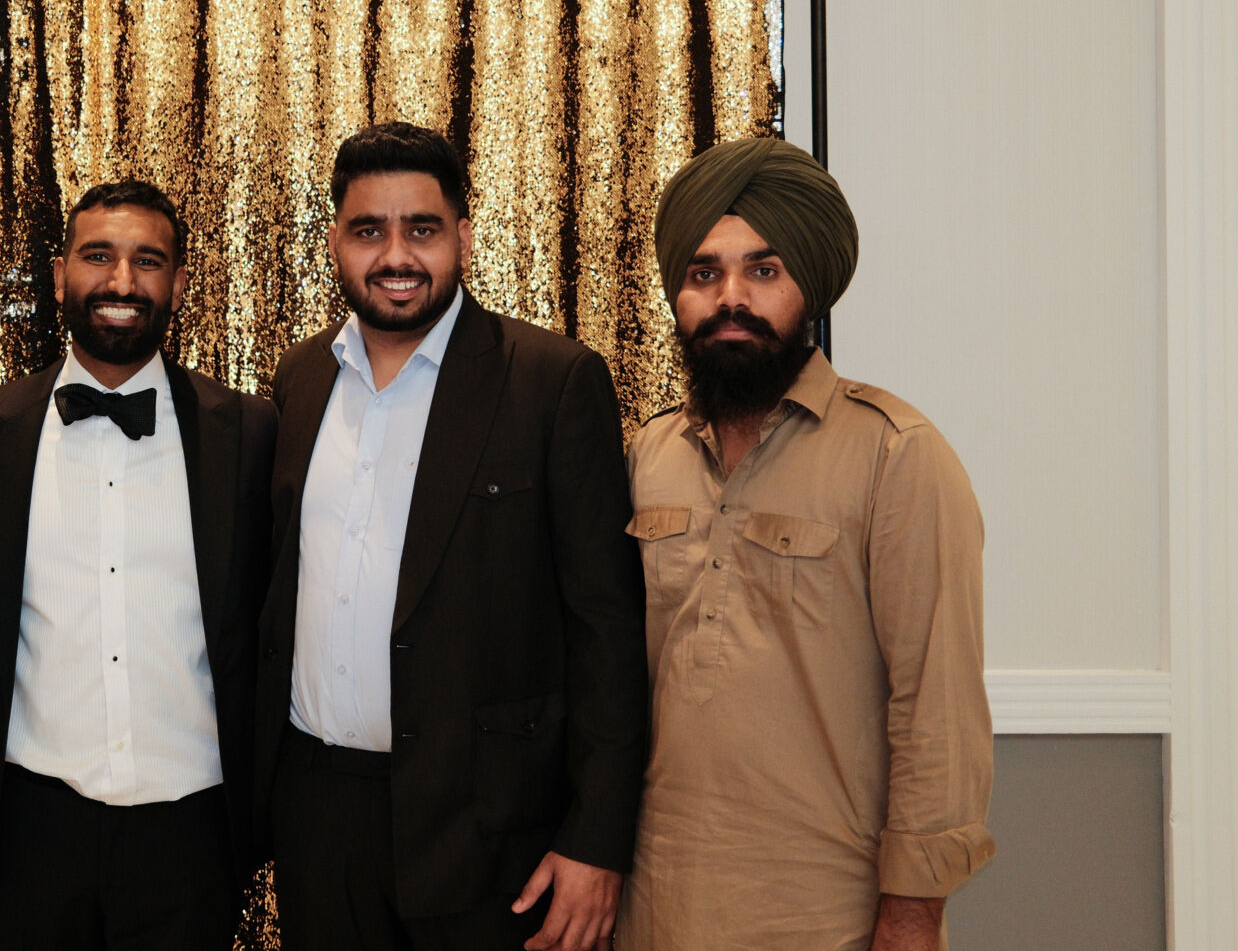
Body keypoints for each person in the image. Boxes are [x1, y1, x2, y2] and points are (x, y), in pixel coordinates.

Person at [255, 122, 649, 951]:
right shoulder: (301, 379)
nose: (396, 255)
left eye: (422, 229)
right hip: (321, 823)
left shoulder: (551, 381)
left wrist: (596, 838)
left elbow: (608, 631)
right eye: (369, 230)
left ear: (463, 238)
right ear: (335, 243)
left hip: (493, 833)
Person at [619, 136, 996, 951]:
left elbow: (937, 706)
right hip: (655, 905)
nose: (731, 298)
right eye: (704, 273)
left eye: (764, 270)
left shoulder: (897, 455)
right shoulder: (650, 454)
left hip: (825, 914)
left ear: (809, 290)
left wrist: (912, 915)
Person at [0, 180, 277, 950]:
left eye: (147, 261)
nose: (122, 282)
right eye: (98, 257)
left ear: (178, 284)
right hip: (26, 832)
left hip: (193, 836)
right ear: (61, 275)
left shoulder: (250, 434)